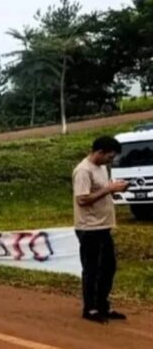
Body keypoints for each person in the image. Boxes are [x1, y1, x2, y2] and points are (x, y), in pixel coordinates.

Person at [73, 136, 129, 323]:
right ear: (100, 152)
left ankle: (102, 304)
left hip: (104, 226)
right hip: (89, 228)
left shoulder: (102, 168)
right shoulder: (83, 171)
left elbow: (102, 190)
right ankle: (90, 308)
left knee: (108, 268)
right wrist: (107, 190)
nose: (111, 160)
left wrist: (114, 188)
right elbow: (82, 199)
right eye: (110, 156)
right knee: (91, 269)